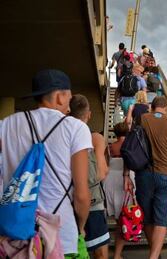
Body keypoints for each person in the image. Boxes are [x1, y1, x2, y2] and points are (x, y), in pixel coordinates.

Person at [0, 69, 92, 256]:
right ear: (59, 96)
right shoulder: (76, 128)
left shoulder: (6, 124)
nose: (70, 102)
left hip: (14, 236)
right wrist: (80, 226)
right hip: (60, 234)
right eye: (69, 96)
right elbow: (81, 195)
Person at [123, 96, 167, 259]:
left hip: (144, 175)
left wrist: (126, 175)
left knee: (148, 218)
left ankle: (154, 254)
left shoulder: (142, 119)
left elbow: (130, 146)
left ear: (152, 107)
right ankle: (154, 256)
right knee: (161, 219)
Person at [69, 94, 110, 258]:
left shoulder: (61, 135)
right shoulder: (95, 138)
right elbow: (101, 172)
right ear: (89, 114)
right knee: (99, 252)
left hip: (63, 202)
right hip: (91, 201)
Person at [103, 122, 135, 259]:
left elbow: (104, 165)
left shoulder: (109, 147)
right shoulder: (131, 145)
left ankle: (115, 252)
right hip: (125, 181)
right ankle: (117, 254)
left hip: (110, 181)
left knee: (118, 219)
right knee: (124, 217)